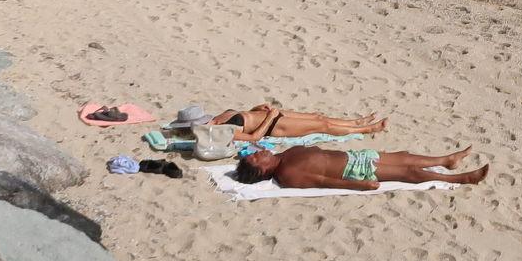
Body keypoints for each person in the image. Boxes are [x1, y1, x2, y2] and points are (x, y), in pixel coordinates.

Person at [233, 144, 488, 189]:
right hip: (353, 171)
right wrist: (360, 185)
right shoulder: (288, 173)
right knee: (406, 173)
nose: (259, 153)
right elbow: (324, 181)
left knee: (404, 157)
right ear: (262, 171)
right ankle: (460, 179)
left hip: (354, 156)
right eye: (256, 159)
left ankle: (446, 160)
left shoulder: (286, 154)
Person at [209, 103, 389, 139]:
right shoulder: (222, 130)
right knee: (322, 126)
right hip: (274, 125)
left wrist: (259, 108)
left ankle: (355, 122)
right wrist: (270, 118)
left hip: (272, 114)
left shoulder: (218, 117)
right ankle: (365, 130)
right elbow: (254, 137)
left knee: (316, 117)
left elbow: (247, 113)